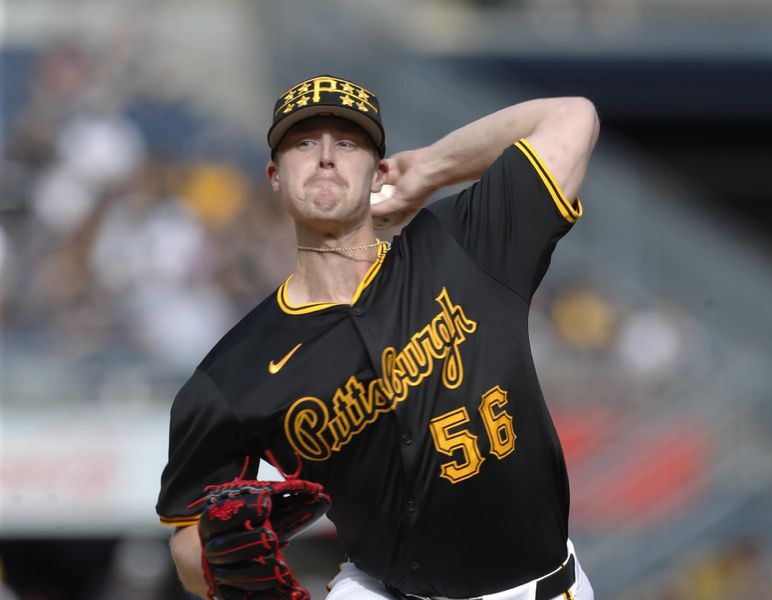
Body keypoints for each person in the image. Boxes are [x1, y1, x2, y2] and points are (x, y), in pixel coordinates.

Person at [157, 74, 599, 600]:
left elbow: (571, 117)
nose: (325, 156)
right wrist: (215, 561)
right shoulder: (231, 375)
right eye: (303, 144)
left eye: (347, 143)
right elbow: (189, 535)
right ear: (275, 176)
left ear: (378, 173)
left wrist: (432, 167)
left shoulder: (464, 247)